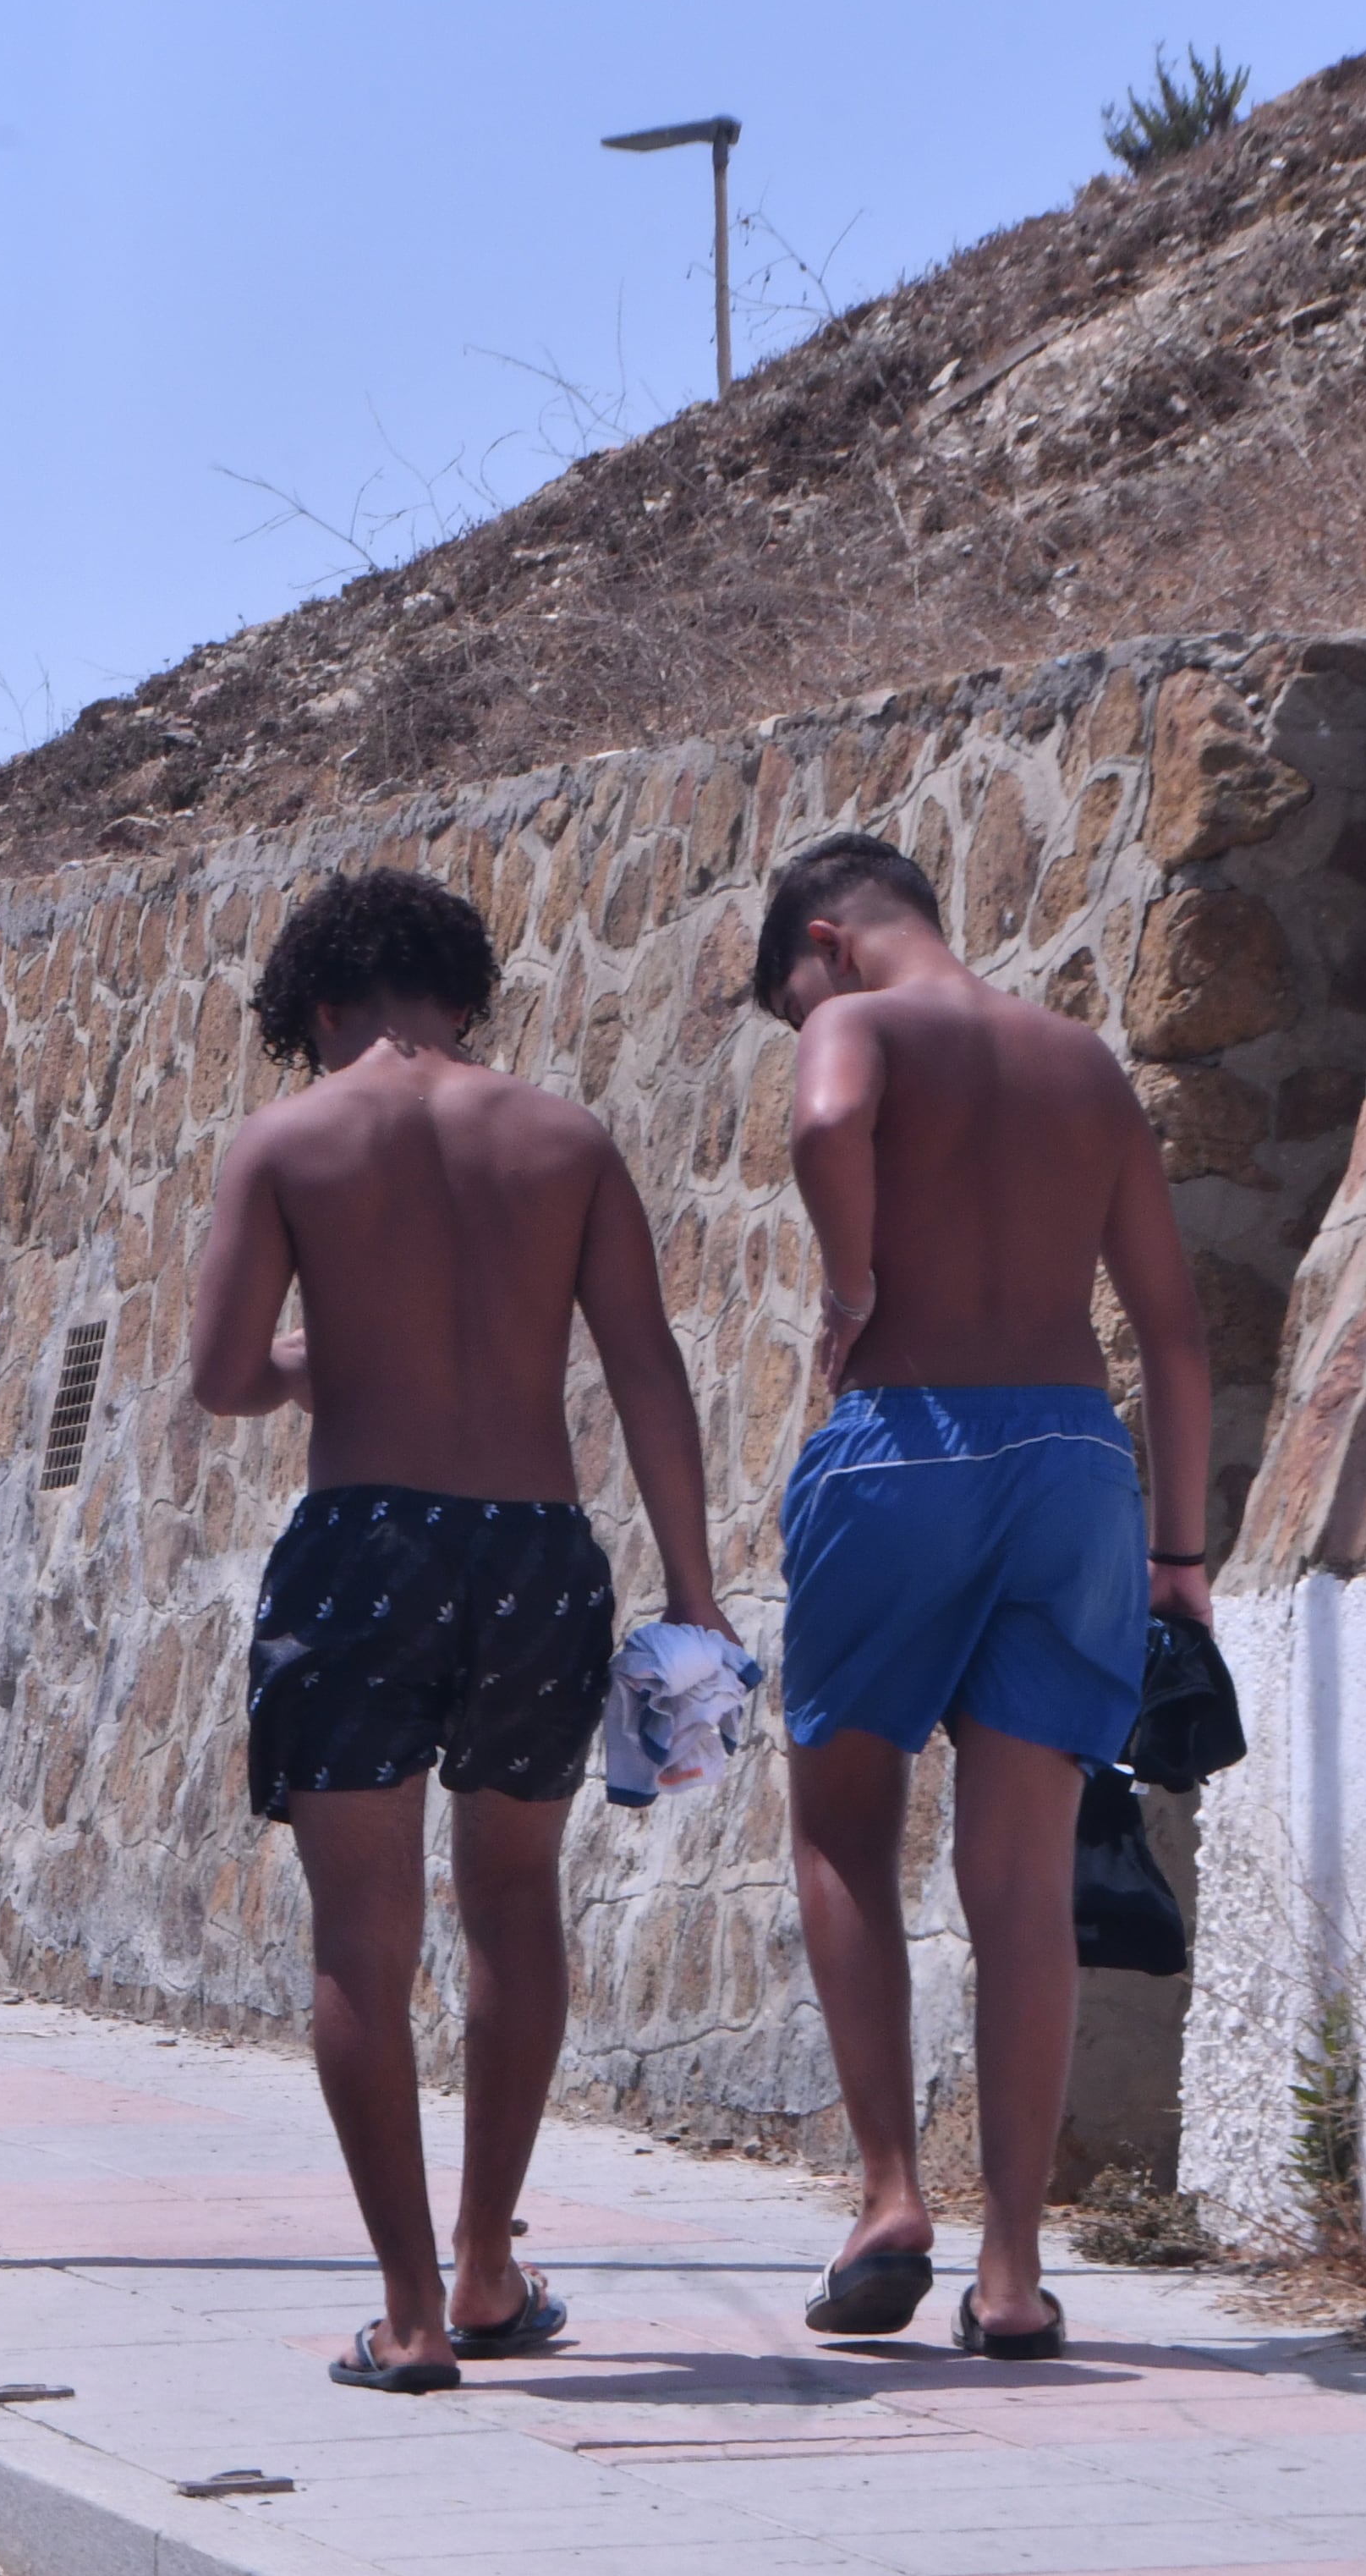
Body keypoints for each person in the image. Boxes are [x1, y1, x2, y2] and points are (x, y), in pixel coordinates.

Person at [190, 871, 730, 2392]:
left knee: (363, 1929)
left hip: (364, 1541)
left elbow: (225, 1373)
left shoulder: (289, 1138)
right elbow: (646, 1369)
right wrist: (693, 1588)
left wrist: (316, 1359)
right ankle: (493, 2262)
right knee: (514, 1899)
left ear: (318, 1006)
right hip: (535, 1551)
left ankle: (412, 2310)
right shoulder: (565, 1138)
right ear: (464, 993)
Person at [754, 833, 1212, 2363]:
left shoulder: (862, 1022)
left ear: (828, 938)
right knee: (1020, 1875)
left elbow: (830, 1119)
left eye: (796, 993)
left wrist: (848, 1277)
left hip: (909, 1442)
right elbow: (1177, 1332)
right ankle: (1013, 2270)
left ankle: (892, 2190)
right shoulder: (1081, 1059)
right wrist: (1183, 1560)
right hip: (1077, 1462)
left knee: (839, 1819)